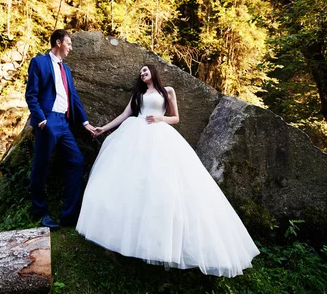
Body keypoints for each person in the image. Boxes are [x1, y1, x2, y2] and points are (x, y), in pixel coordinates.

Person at [76, 64, 260, 277]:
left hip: (160, 135)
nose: (142, 74)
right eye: (141, 72)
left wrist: (160, 118)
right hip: (134, 135)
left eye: (146, 71)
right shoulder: (139, 94)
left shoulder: (167, 91)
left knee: (162, 185)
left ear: (154, 73)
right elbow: (126, 114)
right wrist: (104, 128)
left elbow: (176, 118)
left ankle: (158, 242)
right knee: (129, 185)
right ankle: (118, 240)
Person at [25, 29, 96, 229]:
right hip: (47, 122)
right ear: (58, 42)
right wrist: (41, 120)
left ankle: (68, 215)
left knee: (77, 160)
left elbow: (73, 97)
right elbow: (31, 94)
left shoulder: (67, 70)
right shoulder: (38, 63)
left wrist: (84, 122)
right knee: (41, 166)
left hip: (64, 124)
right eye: (69, 44)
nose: (70, 49)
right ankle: (40, 213)